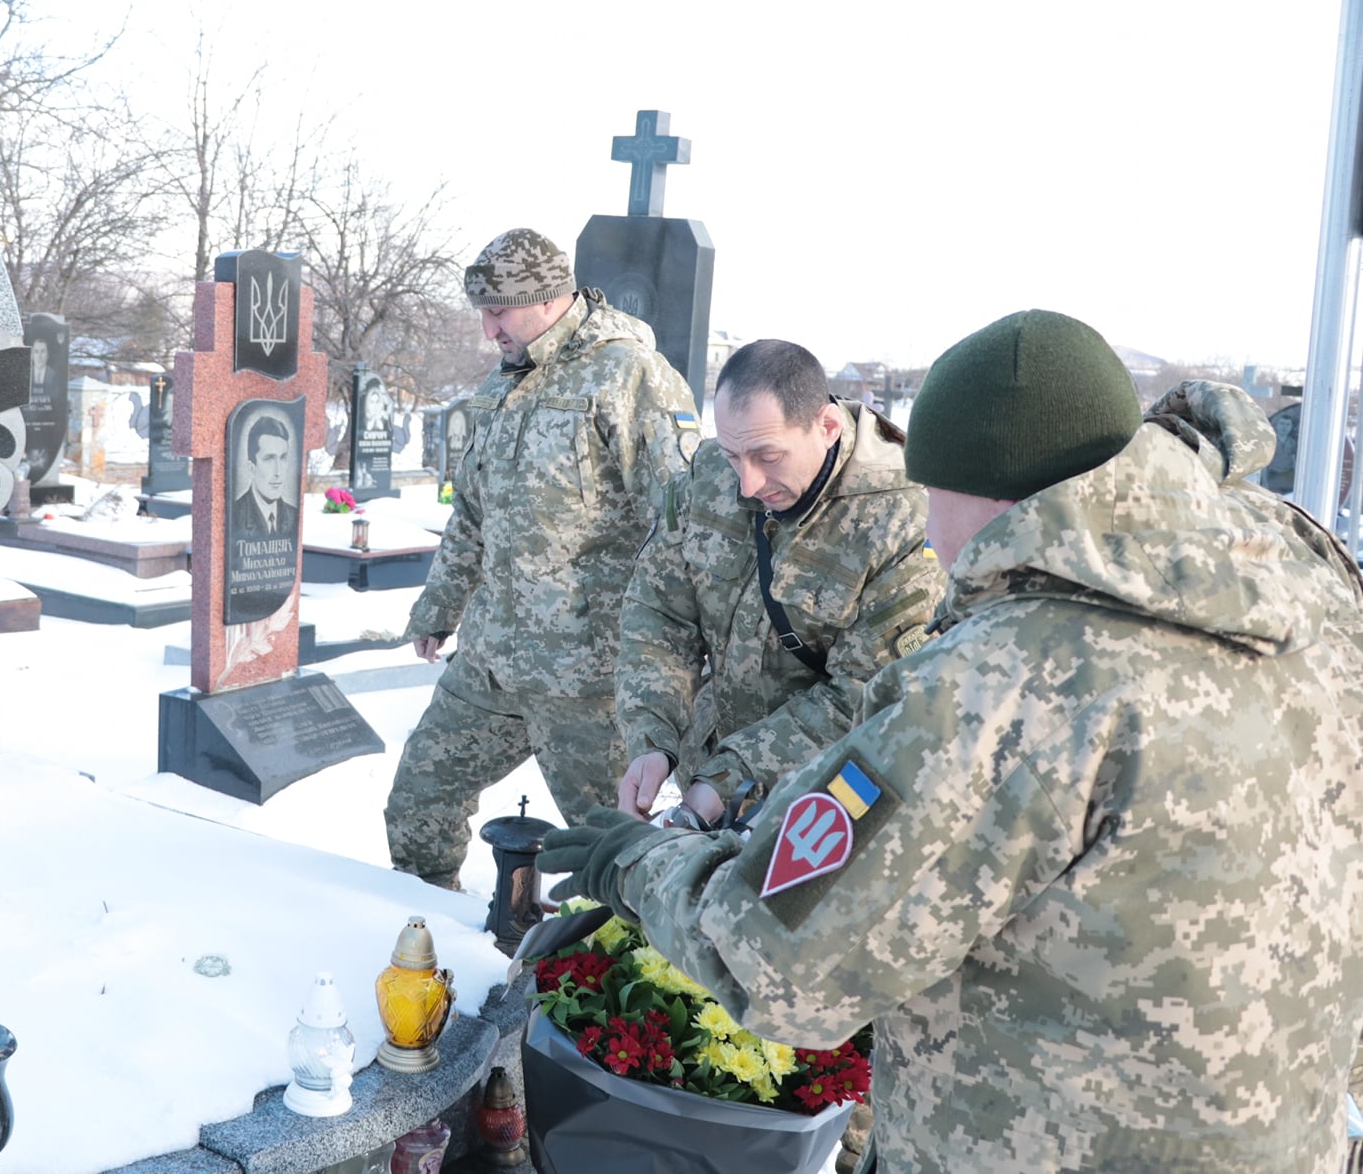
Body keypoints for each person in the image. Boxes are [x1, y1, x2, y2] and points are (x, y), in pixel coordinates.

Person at [540, 310, 1363, 1173]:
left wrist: (636, 862)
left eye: (936, 494)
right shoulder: (1306, 595)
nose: (934, 535)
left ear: (1001, 495)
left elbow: (781, 961)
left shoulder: (1011, 678)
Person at [384, 227, 697, 889]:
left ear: (549, 298)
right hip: (492, 664)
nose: (488, 327)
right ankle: (426, 947)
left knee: (611, 856)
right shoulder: (501, 387)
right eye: (483, 311)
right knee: (418, 805)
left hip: (588, 678)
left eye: (499, 310)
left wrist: (674, 660)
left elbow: (681, 523)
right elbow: (473, 512)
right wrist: (439, 606)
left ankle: (613, 979)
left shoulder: (626, 373)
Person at [614, 340, 944, 830]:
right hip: (710, 776)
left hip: (830, 804)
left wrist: (729, 779)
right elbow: (660, 614)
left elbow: (865, 694)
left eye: (768, 456)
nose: (747, 484)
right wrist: (652, 737)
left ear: (826, 428)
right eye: (732, 455)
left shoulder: (903, 514)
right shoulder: (709, 476)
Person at [230, 414, 298, 536]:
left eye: (283, 458)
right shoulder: (234, 515)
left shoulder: (293, 515)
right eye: (269, 459)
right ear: (251, 468)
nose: (278, 472)